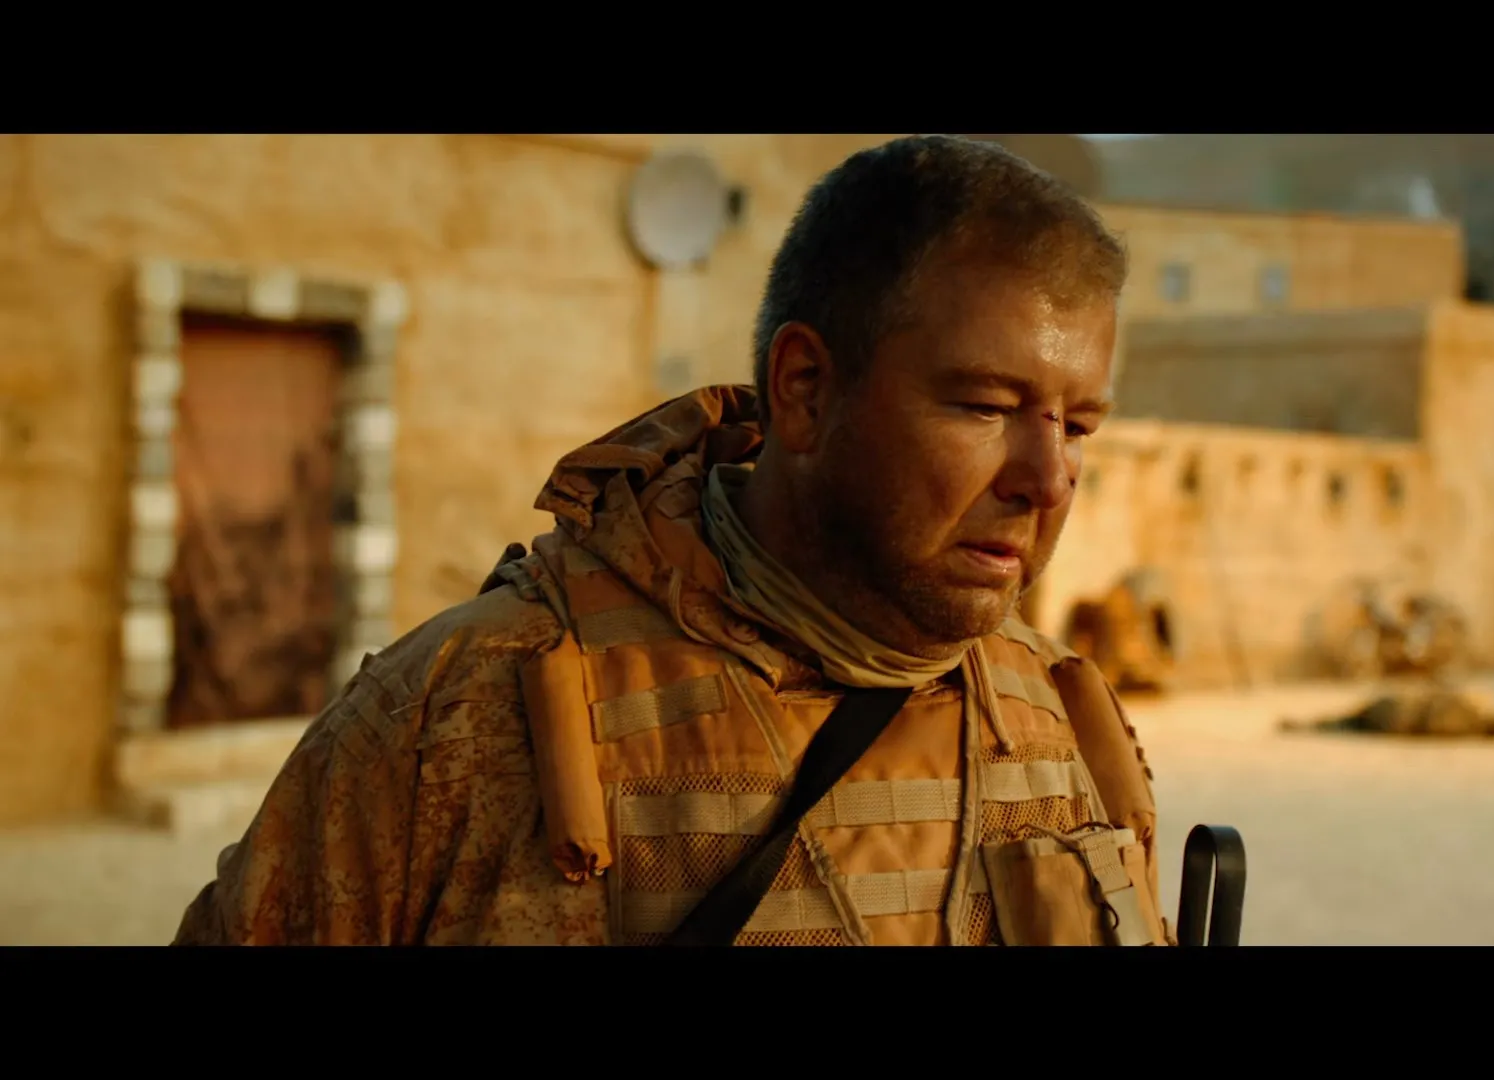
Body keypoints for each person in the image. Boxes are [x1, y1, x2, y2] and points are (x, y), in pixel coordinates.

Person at [172, 134, 1172, 946]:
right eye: (985, 406)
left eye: (1079, 426)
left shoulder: (1062, 724)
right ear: (805, 391)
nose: (1047, 480)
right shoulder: (463, 719)